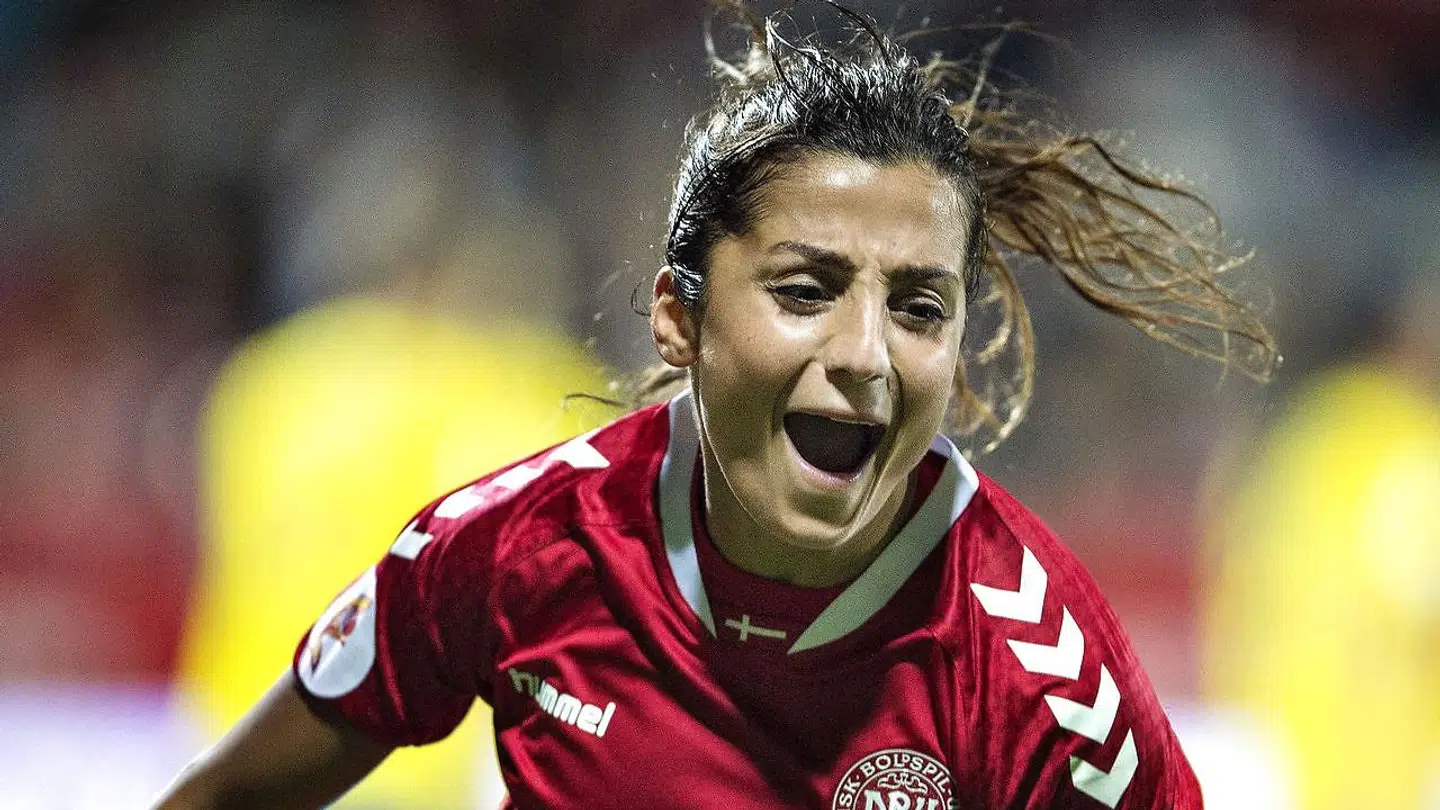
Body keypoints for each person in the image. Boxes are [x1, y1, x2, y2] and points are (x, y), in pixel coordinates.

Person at [151, 3, 1277, 808]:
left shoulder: (1041, 676)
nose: (867, 356)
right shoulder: (517, 550)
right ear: (677, 320)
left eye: (919, 307)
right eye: (805, 290)